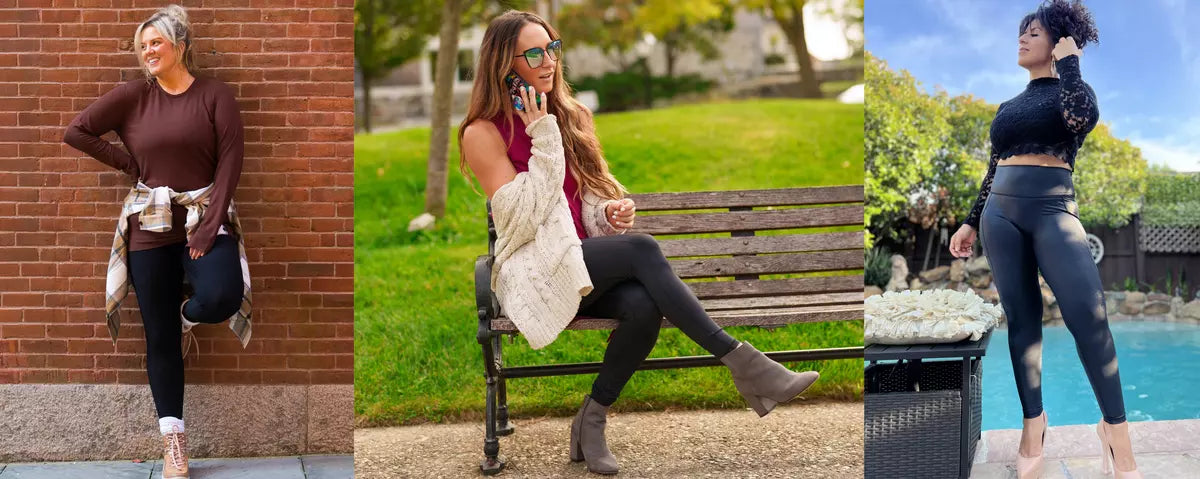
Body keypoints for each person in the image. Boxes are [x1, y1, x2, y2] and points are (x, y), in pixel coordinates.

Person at [457, 10, 821, 476]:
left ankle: (592, 419)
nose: (548, 61)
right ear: (505, 65)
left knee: (644, 306)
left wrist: (607, 213)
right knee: (642, 250)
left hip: (582, 265)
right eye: (533, 53)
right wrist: (540, 132)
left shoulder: (571, 116)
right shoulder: (482, 133)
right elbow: (523, 218)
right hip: (536, 270)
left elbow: (583, 201)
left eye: (552, 48)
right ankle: (746, 366)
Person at [948, 1, 1140, 477]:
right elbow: (994, 167)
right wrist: (971, 220)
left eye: (1034, 32)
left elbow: (1081, 121)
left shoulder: (1074, 90)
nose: (1022, 38)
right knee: (1023, 322)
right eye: (1021, 32)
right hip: (1000, 215)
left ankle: (1116, 434)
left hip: (1055, 210)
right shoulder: (1007, 107)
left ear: (1058, 41)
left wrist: (1071, 62)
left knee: (1089, 319)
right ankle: (1033, 424)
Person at [62, 5, 250, 479]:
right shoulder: (133, 97)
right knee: (158, 337)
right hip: (148, 227)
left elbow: (230, 160)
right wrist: (128, 164)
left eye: (155, 43)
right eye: (142, 45)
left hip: (203, 218)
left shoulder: (215, 96)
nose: (147, 51)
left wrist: (210, 226)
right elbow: (77, 132)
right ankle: (174, 446)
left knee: (221, 297)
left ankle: (187, 315)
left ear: (179, 45)